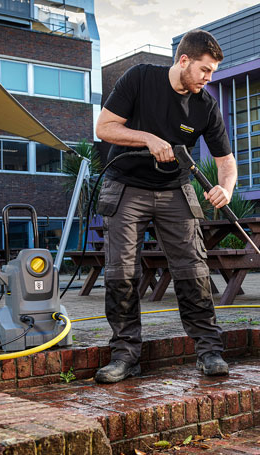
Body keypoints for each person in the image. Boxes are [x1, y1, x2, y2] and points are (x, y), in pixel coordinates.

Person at [93, 29, 236, 383]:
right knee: (121, 272)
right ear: (184, 60)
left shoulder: (205, 104)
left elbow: (226, 161)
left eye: (213, 72)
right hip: (126, 184)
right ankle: (125, 356)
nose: (209, 78)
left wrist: (226, 188)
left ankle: (209, 351)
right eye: (205, 69)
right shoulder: (140, 78)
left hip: (175, 188)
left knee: (194, 270)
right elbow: (104, 127)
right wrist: (147, 138)